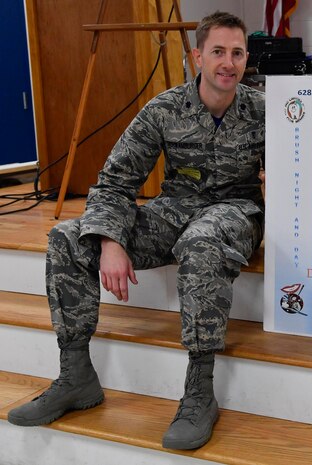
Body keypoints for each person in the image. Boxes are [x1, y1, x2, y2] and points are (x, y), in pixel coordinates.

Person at [8, 11, 265, 451]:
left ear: (246, 59)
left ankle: (200, 392)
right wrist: (110, 241)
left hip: (235, 212)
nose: (228, 62)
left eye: (237, 53)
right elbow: (115, 181)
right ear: (196, 56)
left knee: (201, 242)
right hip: (173, 209)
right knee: (67, 238)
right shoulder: (164, 109)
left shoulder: (265, 110)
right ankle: (76, 377)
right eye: (218, 51)